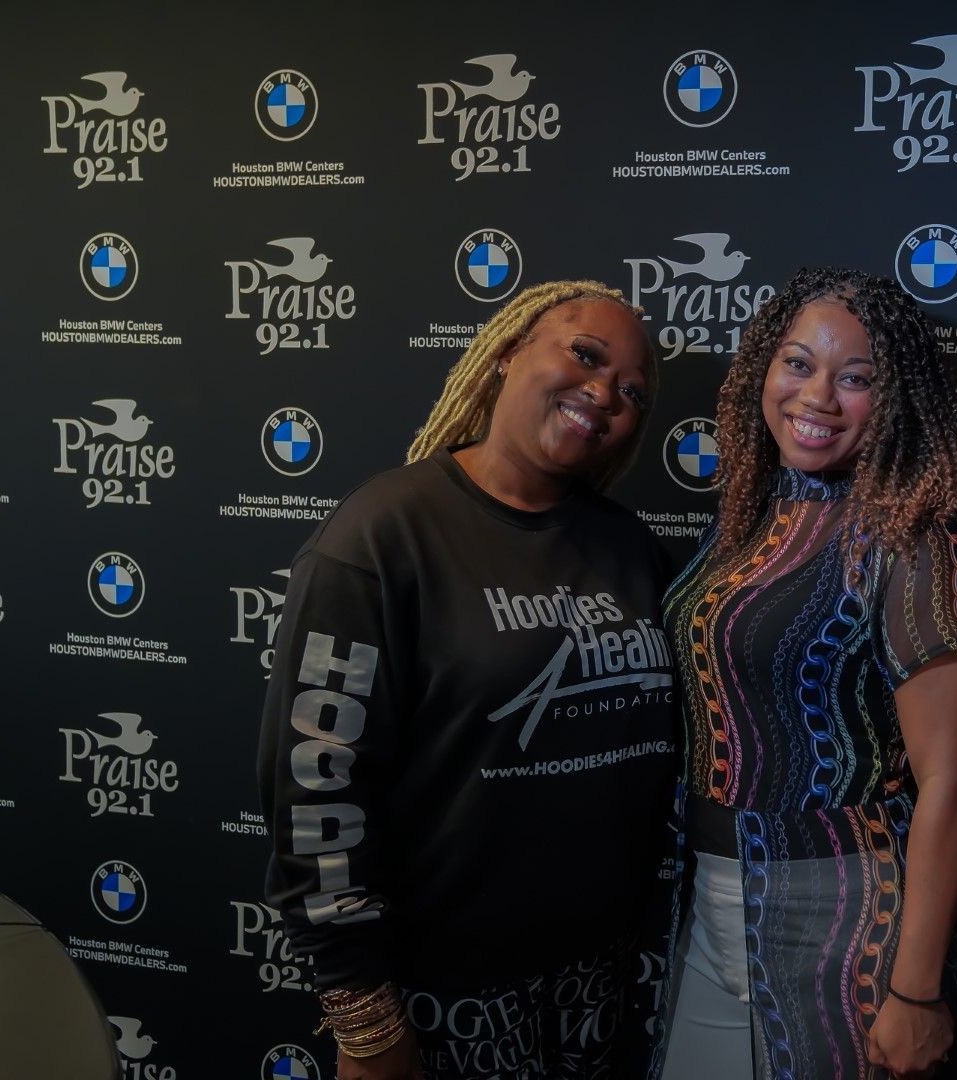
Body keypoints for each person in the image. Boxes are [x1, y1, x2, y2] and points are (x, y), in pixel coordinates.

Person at [258, 280, 678, 1080]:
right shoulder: (384, 535)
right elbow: (314, 786)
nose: (603, 393)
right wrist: (366, 1020)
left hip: (599, 985)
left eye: (631, 391)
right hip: (440, 991)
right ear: (508, 353)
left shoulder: (631, 549)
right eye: (584, 355)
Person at [656, 267, 957, 1080]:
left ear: (897, 399)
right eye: (798, 364)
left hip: (848, 913)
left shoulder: (909, 538)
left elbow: (951, 782)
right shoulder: (748, 514)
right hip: (708, 898)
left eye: (857, 379)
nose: (817, 397)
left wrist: (913, 992)